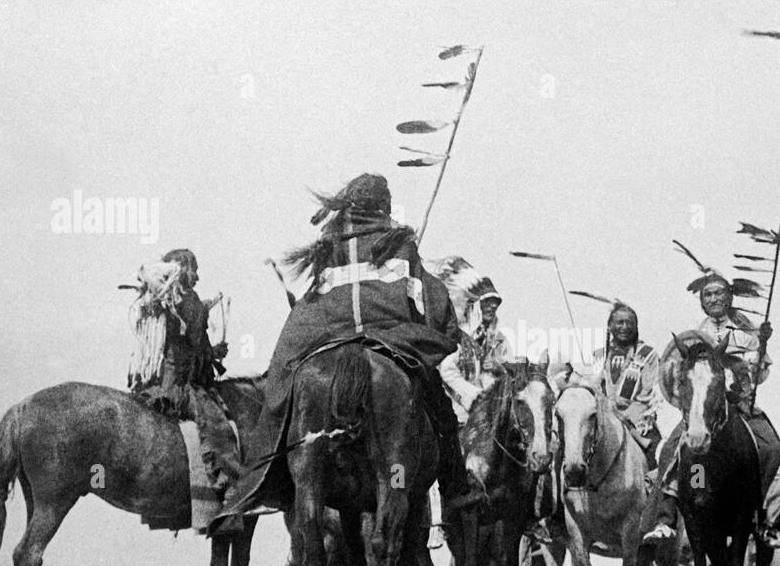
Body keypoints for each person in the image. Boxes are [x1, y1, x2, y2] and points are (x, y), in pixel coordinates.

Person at [207, 174, 469, 541]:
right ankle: (455, 486)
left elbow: (315, 305)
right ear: (383, 205)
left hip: (330, 337)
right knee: (437, 402)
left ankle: (271, 476)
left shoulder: (328, 248)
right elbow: (427, 302)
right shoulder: (399, 243)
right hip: (388, 338)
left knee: (285, 389)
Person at [643, 271, 780, 544]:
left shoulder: (747, 331)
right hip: (706, 407)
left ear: (730, 296)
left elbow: (758, 372)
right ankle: (666, 519)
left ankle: (766, 518)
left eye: (719, 293)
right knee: (671, 449)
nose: (713, 299)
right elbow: (682, 374)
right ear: (701, 301)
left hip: (741, 405)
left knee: (773, 449)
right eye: (708, 295)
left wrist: (759, 348)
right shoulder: (696, 336)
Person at [129, 248, 241, 501]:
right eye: (194, 270)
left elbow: (190, 347)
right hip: (177, 388)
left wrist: (213, 351)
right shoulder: (185, 302)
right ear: (181, 270)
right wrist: (205, 317)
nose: (197, 277)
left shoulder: (176, 303)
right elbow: (190, 347)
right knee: (215, 424)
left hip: (159, 383)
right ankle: (229, 490)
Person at [590, 301, 661, 464]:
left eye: (629, 323)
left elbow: (648, 394)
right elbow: (592, 389)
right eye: (619, 322)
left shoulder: (648, 354)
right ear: (609, 326)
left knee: (657, 457)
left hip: (637, 422)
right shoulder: (599, 355)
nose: (624, 327)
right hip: (603, 421)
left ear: (636, 327)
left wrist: (626, 417)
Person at [437, 267, 510, 421]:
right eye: (487, 303)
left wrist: (499, 368)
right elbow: (447, 371)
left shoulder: (497, 339)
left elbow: (508, 369)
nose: (492, 307)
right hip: (455, 407)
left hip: (486, 411)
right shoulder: (457, 335)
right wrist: (474, 395)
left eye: (495, 304)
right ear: (476, 305)